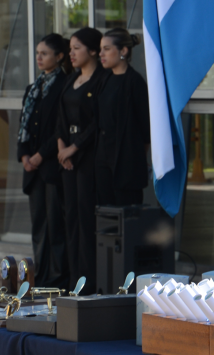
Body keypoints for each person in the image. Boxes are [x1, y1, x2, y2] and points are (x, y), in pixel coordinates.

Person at [18, 33, 71, 288]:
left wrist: (41, 154)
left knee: (56, 225)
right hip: (33, 168)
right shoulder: (34, 87)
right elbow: (24, 124)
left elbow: (59, 128)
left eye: (45, 53)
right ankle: (40, 275)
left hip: (52, 166)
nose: (39, 58)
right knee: (39, 223)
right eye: (38, 53)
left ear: (59, 57)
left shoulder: (64, 84)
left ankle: (58, 277)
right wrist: (25, 154)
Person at [57, 27, 106, 294]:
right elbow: (60, 117)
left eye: (77, 48)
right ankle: (73, 281)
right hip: (67, 160)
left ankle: (88, 283)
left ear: (93, 51)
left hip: (87, 158)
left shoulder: (101, 80)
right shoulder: (70, 79)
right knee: (71, 220)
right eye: (71, 48)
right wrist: (61, 148)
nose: (71, 53)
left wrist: (74, 148)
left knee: (88, 221)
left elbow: (98, 122)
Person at [95, 28, 150, 206]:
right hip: (103, 158)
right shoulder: (105, 79)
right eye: (100, 48)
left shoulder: (135, 82)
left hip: (127, 161)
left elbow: (145, 127)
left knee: (127, 215)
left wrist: (137, 158)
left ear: (123, 51)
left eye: (107, 48)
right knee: (106, 214)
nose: (101, 53)